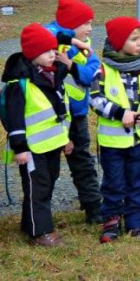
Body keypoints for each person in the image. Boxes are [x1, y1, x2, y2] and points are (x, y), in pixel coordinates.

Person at [90, 17, 140, 243]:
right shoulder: (103, 71)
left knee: (137, 181)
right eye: (133, 39)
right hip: (113, 142)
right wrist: (118, 113)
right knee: (114, 182)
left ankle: (135, 222)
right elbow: (95, 99)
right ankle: (111, 222)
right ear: (117, 42)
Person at [2, 24, 72, 246]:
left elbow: (59, 110)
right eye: (46, 51)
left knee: (48, 182)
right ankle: (40, 233)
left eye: (53, 50)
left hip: (51, 144)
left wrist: (65, 139)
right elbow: (15, 120)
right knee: (37, 187)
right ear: (32, 54)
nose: (53, 54)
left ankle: (30, 223)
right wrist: (20, 147)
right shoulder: (19, 85)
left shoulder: (52, 76)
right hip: (32, 148)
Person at [44, 0, 102, 224]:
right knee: (48, 168)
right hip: (50, 117)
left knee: (83, 163)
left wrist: (71, 65)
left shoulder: (86, 47)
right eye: (85, 23)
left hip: (76, 117)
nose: (89, 28)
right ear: (69, 24)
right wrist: (71, 40)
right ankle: (40, 213)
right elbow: (43, 33)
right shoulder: (49, 36)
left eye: (90, 23)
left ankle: (93, 208)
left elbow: (93, 74)